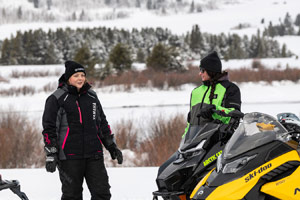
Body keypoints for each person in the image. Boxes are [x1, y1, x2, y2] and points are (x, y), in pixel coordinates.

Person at [42, 60, 123, 200]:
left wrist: (112, 146)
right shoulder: (56, 99)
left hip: (94, 155)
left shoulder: (92, 97)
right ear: (68, 78)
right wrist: (51, 154)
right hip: (69, 157)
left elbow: (102, 123)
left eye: (82, 75)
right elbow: (49, 129)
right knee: (72, 196)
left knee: (102, 193)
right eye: (76, 75)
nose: (80, 78)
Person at [158, 51, 241, 175]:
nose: (200, 73)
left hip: (217, 143)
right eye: (200, 70)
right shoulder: (196, 92)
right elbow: (190, 123)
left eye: (202, 70)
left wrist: (214, 109)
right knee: (165, 171)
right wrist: (184, 143)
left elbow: (234, 114)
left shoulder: (230, 89)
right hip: (195, 144)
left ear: (211, 70)